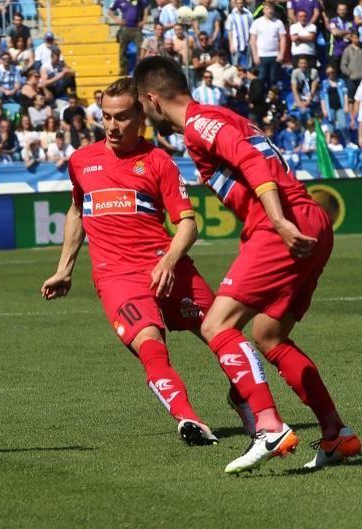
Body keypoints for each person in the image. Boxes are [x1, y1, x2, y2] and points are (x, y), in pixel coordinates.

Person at [134, 56, 361, 473]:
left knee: (216, 325)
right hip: (307, 218)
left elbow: (254, 164)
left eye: (142, 107)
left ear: (151, 98)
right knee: (268, 335)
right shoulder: (217, 118)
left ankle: (269, 427)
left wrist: (276, 220)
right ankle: (336, 434)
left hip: (281, 223)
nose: (144, 117)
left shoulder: (201, 124)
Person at [41, 76, 231, 445]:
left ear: (141, 116)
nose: (112, 125)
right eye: (106, 117)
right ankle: (188, 419)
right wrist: (64, 269)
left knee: (225, 335)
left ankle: (250, 404)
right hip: (117, 278)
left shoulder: (158, 162)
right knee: (150, 345)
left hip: (168, 267)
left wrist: (170, 261)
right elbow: (78, 211)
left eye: (122, 117)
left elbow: (188, 226)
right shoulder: (82, 161)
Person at [110, 0, 149, 75]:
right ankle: (123, 68)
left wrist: (144, 21)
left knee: (141, 48)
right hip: (125, 28)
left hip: (136, 28)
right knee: (122, 49)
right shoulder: (119, 1)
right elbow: (110, 11)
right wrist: (117, 19)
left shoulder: (139, 1)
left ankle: (140, 67)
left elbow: (146, 8)